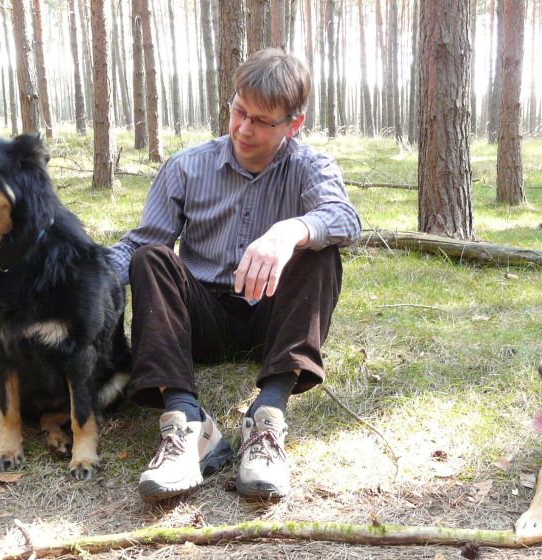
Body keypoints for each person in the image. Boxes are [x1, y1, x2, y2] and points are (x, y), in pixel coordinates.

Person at [108, 48, 361, 504]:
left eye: (262, 121)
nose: (244, 129)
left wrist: (291, 231)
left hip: (273, 321)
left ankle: (267, 417)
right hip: (201, 320)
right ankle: (188, 424)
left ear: (293, 125)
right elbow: (139, 243)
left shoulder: (312, 167)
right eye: (239, 111)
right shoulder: (186, 167)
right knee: (150, 258)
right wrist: (79, 277)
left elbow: (344, 218)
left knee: (321, 253)